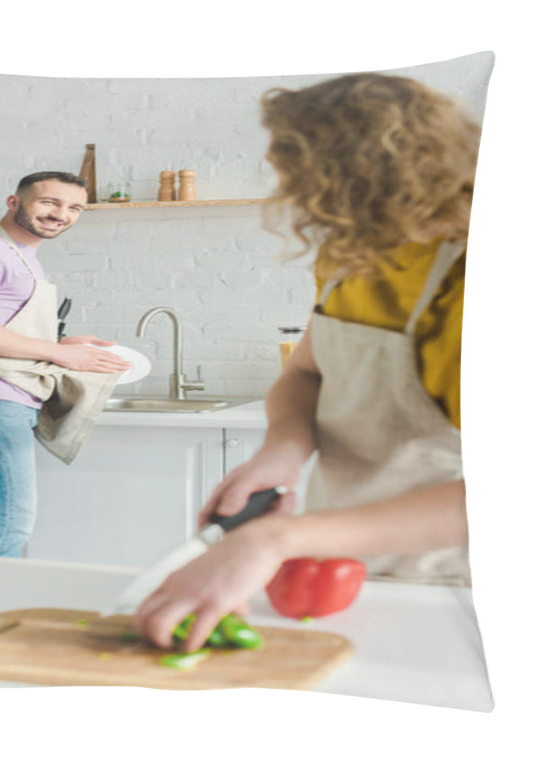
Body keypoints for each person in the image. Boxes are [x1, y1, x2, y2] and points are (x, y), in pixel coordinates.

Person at [134, 73, 482, 652]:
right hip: (337, 562)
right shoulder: (355, 251)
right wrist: (283, 452)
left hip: (453, 583)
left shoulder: (469, 278)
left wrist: (272, 541)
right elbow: (307, 372)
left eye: (297, 172)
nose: (291, 192)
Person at [0, 172, 131, 557]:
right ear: (13, 202)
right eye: (49, 202)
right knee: (7, 521)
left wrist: (61, 343)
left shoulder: (20, 255)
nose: (60, 214)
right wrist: (58, 354)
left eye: (74, 208)